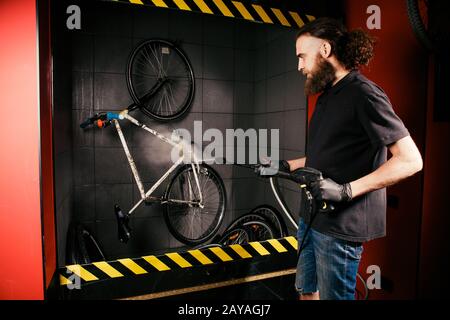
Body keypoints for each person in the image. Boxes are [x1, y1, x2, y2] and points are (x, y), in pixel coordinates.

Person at [275, 17, 423, 300]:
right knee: (307, 293)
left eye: (302, 56)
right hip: (311, 217)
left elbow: (411, 160)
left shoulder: (363, 93)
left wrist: (346, 190)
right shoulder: (327, 96)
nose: (299, 66)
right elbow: (327, 153)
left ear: (326, 50)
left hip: (339, 229)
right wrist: (284, 166)